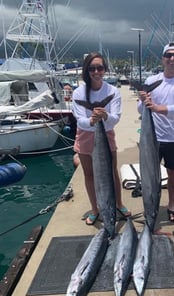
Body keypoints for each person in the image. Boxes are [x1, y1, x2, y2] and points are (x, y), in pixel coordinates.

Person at [137, 42, 174, 222]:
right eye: (168, 55)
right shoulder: (150, 81)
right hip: (150, 139)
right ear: (163, 58)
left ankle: (171, 205)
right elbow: (141, 109)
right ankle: (149, 207)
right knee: (148, 174)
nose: (172, 59)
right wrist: (143, 101)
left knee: (172, 174)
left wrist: (154, 107)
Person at [72, 52, 131, 225]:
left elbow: (116, 118)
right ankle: (95, 209)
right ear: (87, 70)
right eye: (92, 68)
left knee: (112, 172)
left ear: (104, 69)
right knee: (89, 174)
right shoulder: (78, 93)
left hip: (105, 134)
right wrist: (92, 120)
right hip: (85, 135)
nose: (96, 71)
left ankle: (118, 204)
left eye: (100, 67)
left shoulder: (112, 91)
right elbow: (80, 120)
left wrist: (104, 117)